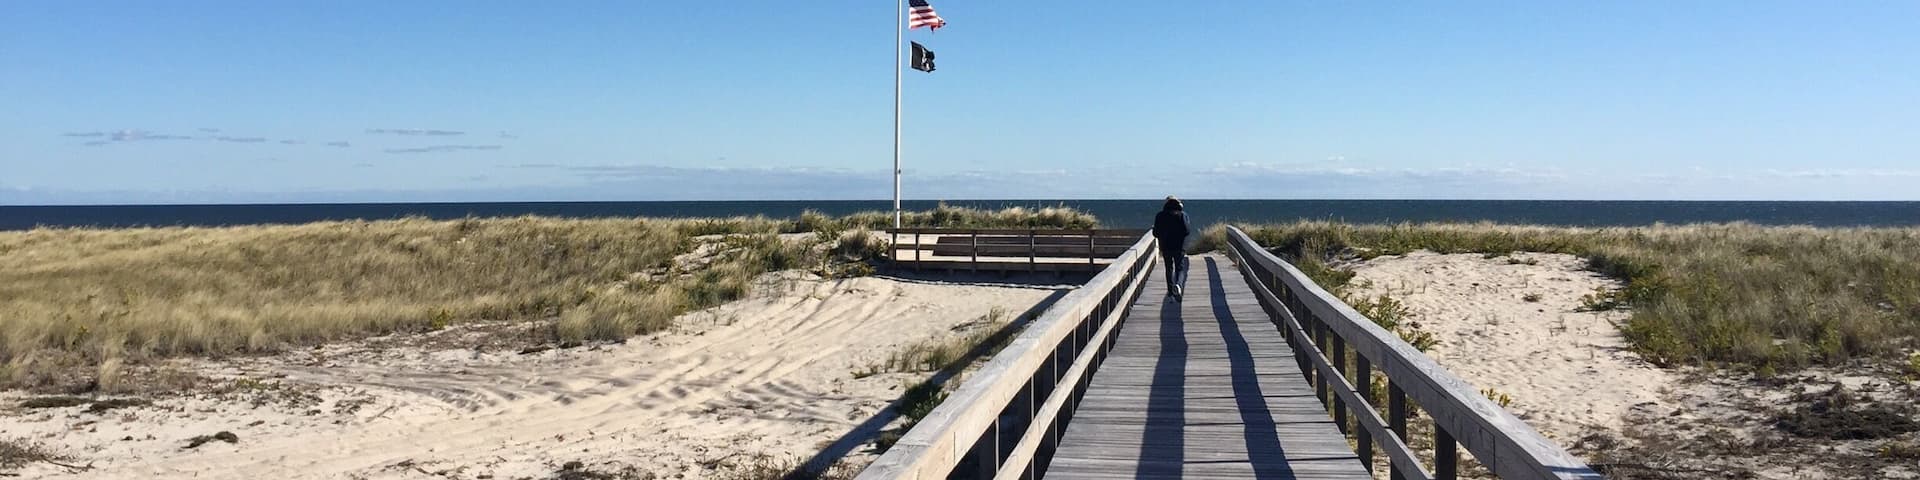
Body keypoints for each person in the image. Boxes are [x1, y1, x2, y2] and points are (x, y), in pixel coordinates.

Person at [1152, 196, 1191, 300]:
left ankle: (1170, 292)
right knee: (1180, 268)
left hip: (1166, 247)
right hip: (1179, 247)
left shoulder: (1160, 215)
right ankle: (1178, 285)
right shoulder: (1182, 215)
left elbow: (1155, 233)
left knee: (1168, 268)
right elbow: (1187, 231)